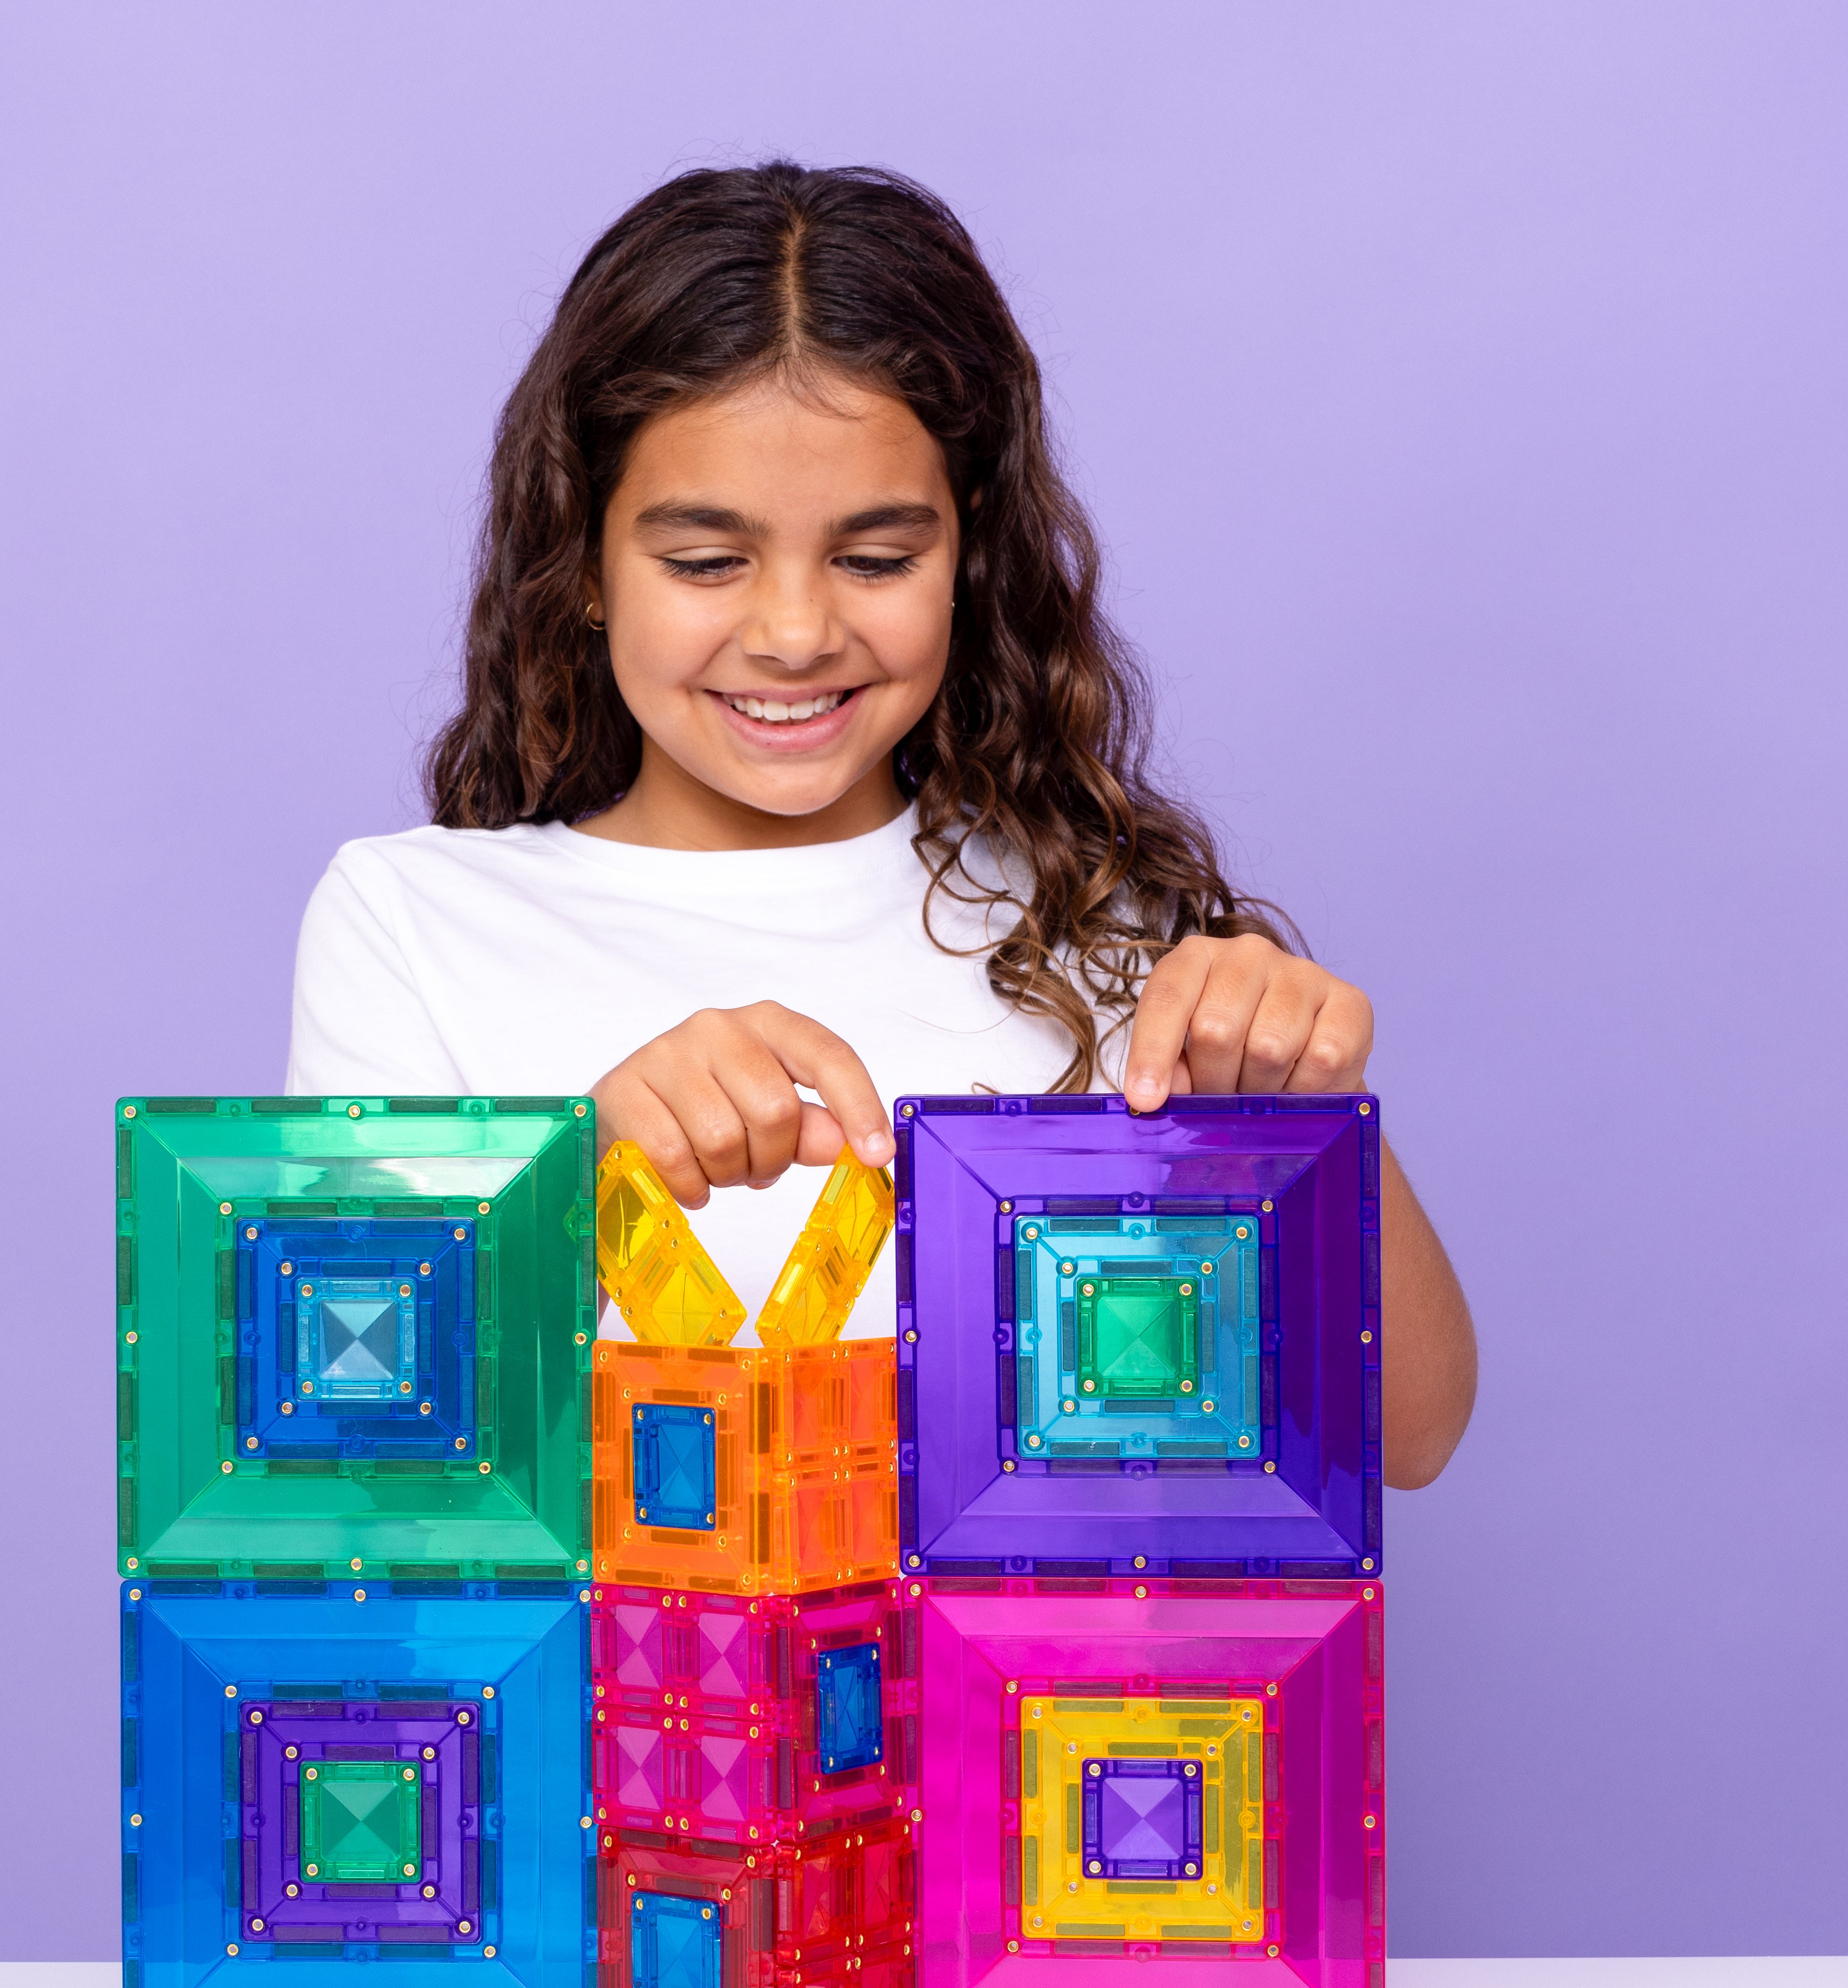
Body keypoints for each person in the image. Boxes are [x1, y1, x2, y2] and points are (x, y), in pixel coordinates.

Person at [289, 160, 1476, 1486]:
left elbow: (1409, 1436)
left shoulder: (1104, 928)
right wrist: (574, 1184)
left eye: (875, 559)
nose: (796, 632)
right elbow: (344, 1471)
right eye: (704, 562)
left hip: (1048, 1641)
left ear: (970, 559)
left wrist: (1304, 1115)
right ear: (583, 568)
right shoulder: (410, 920)